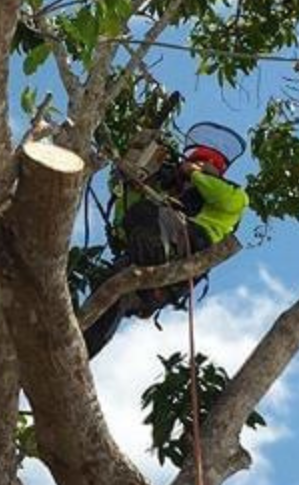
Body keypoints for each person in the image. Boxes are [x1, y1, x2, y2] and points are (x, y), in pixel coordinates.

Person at [82, 142, 248, 358]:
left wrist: (195, 173)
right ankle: (82, 350)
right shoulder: (170, 198)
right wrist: (131, 185)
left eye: (200, 164)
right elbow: (125, 226)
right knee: (109, 289)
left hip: (191, 246)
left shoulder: (234, 194)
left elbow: (224, 199)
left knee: (145, 211)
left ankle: (154, 261)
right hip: (147, 274)